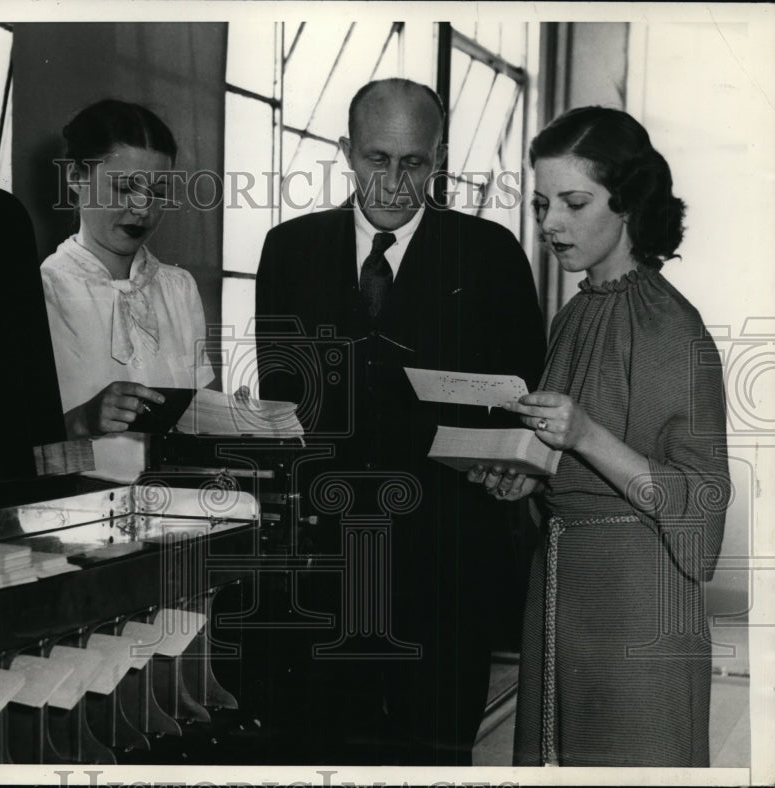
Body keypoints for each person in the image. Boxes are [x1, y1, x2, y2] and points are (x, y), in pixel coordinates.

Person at [253, 78, 546, 764]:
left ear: (438, 158)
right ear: (346, 152)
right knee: (322, 752)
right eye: (377, 159)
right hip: (324, 561)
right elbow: (284, 399)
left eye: (413, 162)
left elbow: (524, 399)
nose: (393, 182)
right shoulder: (290, 249)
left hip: (448, 565)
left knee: (435, 754)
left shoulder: (490, 254)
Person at [469, 106, 730, 767]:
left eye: (574, 202)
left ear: (628, 203)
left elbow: (702, 507)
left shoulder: (674, 328)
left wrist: (583, 435)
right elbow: (579, 473)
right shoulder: (572, 317)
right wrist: (529, 475)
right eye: (541, 203)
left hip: (639, 604)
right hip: (559, 591)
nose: (550, 223)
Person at [41, 98, 213, 439]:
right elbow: (12, 446)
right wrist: (81, 421)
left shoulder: (179, 288)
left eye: (158, 192)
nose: (142, 208)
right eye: (123, 188)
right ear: (75, 177)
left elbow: (199, 424)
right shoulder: (42, 292)